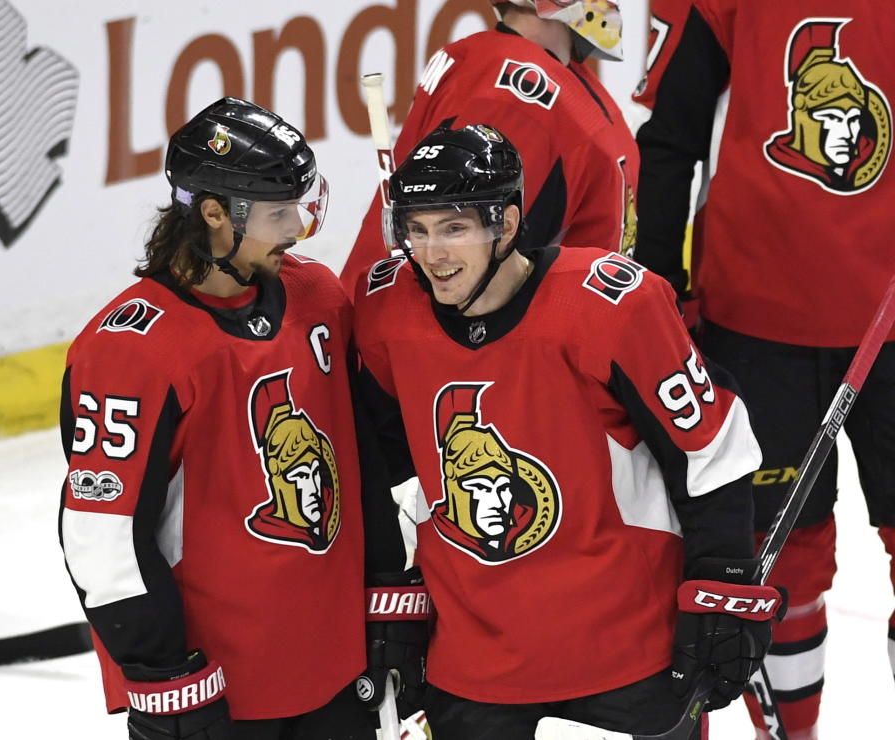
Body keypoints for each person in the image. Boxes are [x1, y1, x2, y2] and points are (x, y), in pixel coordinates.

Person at [351, 123, 784, 739]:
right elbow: (380, 464)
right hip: (472, 669)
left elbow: (709, 448)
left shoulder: (613, 307)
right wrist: (395, 590)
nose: (432, 255)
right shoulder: (389, 312)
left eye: (454, 229)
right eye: (416, 231)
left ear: (503, 223)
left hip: (625, 659)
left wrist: (724, 581)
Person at [58, 97, 376, 740]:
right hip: (217, 691)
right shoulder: (129, 349)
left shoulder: (318, 295)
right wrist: (165, 674)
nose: (295, 227)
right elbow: (102, 536)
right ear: (212, 215)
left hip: (333, 667)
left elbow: (368, 455)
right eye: (277, 212)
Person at [633, 2, 895, 737]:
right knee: (782, 557)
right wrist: (658, 294)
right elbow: (670, 136)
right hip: (757, 322)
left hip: (889, 319)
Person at [339, 0, 639, 292]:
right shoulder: (514, 98)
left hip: (561, 324)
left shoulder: (505, 61)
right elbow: (465, 265)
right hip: (423, 327)